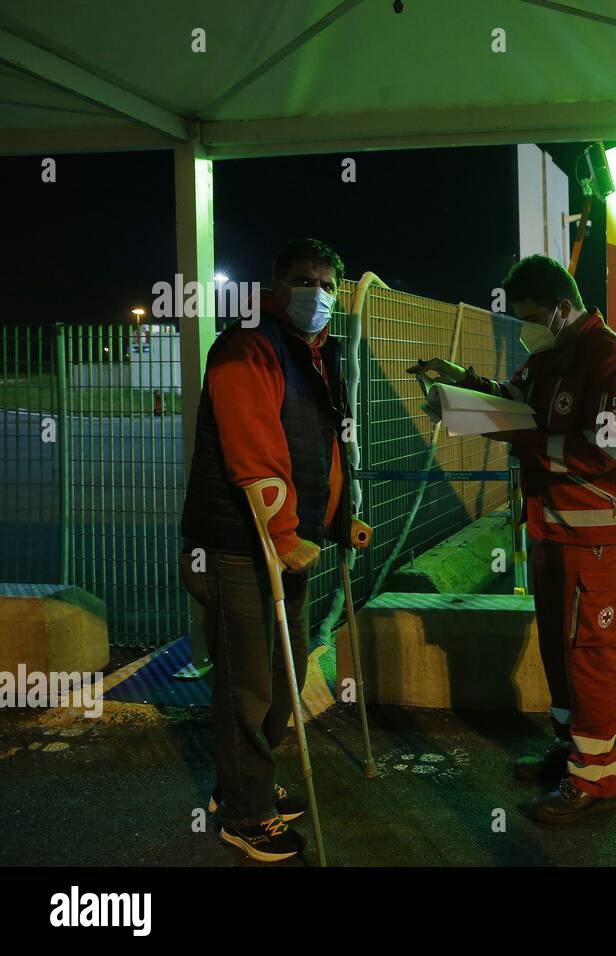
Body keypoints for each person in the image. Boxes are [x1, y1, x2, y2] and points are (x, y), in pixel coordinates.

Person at [420, 255, 616, 825]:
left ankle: (596, 781)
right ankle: (571, 748)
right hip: (552, 526)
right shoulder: (551, 353)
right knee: (557, 646)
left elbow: (607, 451)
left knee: (589, 654)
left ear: (561, 309)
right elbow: (514, 400)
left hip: (595, 536)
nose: (523, 328)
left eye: (529, 316)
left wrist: (518, 437)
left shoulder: (615, 358)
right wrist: (465, 388)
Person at [179, 238, 354, 862]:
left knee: (285, 679)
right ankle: (246, 815)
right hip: (240, 546)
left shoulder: (313, 352)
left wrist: (339, 521)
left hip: (289, 545)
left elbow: (324, 450)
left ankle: (245, 787)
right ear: (276, 284)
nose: (320, 293)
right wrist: (283, 535)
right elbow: (253, 451)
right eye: (306, 279)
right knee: (247, 690)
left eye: (329, 282)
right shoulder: (250, 345)